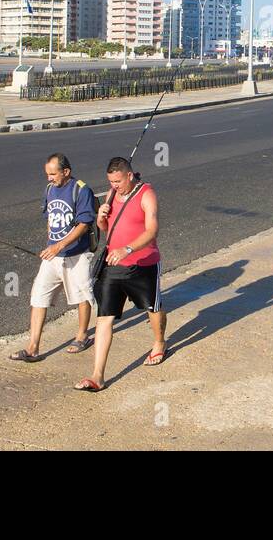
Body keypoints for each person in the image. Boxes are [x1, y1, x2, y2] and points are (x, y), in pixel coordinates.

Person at [74, 156, 167, 392]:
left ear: (129, 175)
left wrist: (128, 249)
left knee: (152, 308)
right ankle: (98, 376)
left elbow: (152, 230)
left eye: (117, 181)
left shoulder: (146, 194)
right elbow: (106, 230)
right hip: (113, 265)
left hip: (142, 263)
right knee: (105, 317)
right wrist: (101, 217)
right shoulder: (112, 194)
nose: (114, 185)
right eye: (110, 181)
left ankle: (159, 342)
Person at [10, 153, 97, 362]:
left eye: (53, 174)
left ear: (66, 172)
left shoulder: (81, 190)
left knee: (82, 296)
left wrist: (60, 245)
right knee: (38, 296)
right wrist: (51, 238)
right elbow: (49, 215)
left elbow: (84, 224)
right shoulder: (50, 189)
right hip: (53, 255)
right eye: (47, 174)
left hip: (77, 254)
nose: (49, 178)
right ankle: (33, 347)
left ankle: (82, 335)